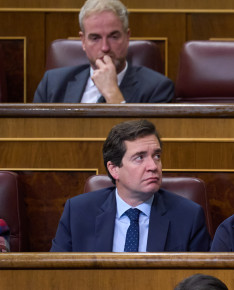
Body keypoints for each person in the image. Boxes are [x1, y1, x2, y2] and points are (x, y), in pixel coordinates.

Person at [50, 120, 210, 252]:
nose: (153, 166)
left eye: (157, 156)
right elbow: (57, 276)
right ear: (114, 169)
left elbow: (199, 282)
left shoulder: (188, 216)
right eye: (139, 157)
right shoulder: (78, 212)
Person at [34, 0, 174, 103]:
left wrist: (112, 93)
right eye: (95, 38)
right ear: (83, 41)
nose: (105, 47)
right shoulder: (52, 84)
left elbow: (144, 141)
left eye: (114, 37)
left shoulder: (157, 88)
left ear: (127, 37)